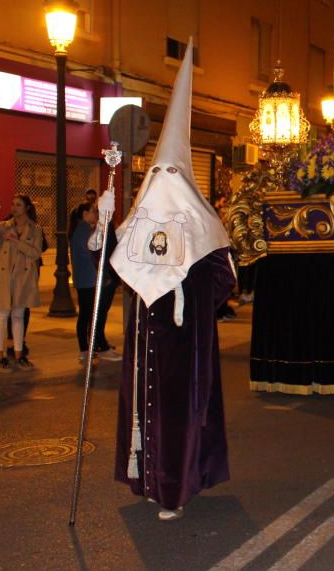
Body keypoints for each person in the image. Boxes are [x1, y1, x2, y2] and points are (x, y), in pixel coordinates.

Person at [97, 44, 235, 521]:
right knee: (144, 409)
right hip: (143, 338)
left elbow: (225, 280)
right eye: (156, 174)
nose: (161, 180)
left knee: (177, 415)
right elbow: (115, 266)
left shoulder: (205, 226)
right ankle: (147, 479)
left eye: (169, 174)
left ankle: (176, 485)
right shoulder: (138, 221)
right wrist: (106, 224)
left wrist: (189, 287)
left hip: (183, 341)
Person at [0, 194, 43, 373]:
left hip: (23, 278)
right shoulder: (4, 226)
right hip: (4, 277)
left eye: (18, 205)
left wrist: (16, 241)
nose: (14, 208)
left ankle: (18, 355)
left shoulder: (35, 229)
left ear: (27, 208)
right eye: (12, 204)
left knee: (18, 315)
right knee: (1, 316)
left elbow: (36, 253)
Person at [70, 201, 119, 364]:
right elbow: (91, 254)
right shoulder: (83, 231)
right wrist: (102, 275)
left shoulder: (81, 230)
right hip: (89, 279)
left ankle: (89, 347)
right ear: (85, 214)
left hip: (85, 279)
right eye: (93, 211)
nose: (96, 215)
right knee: (89, 315)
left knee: (87, 314)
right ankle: (88, 348)